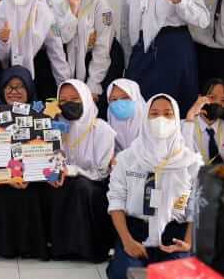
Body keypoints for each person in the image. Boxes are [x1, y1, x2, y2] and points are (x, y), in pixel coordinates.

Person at [106, 94, 203, 279]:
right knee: (127, 274)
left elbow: (196, 205)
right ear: (145, 118)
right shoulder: (127, 158)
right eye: (154, 113)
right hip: (136, 232)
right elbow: (116, 201)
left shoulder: (191, 162)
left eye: (167, 114)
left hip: (174, 235)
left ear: (176, 119)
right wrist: (127, 241)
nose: (160, 119)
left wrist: (188, 243)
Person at [48, 79, 116, 262]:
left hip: (95, 184)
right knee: (54, 186)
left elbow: (101, 172)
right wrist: (54, 173)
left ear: (86, 98)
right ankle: (61, 248)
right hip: (66, 179)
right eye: (63, 100)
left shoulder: (102, 129)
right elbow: (52, 158)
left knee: (80, 187)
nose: (68, 104)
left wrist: (72, 170)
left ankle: (87, 249)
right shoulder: (57, 126)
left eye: (74, 99)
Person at [0, 66, 48, 260]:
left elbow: (44, 154)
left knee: (30, 193)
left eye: (20, 86)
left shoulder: (41, 116)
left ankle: (33, 247)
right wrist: (4, 177)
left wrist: (27, 176)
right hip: (1, 180)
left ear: (29, 89)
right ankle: (7, 246)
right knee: (4, 193)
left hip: (32, 179)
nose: (14, 91)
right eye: (9, 87)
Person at [50, 0, 124, 115]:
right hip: (62, 61)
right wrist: (73, 10)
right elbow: (60, 39)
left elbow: (102, 49)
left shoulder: (102, 7)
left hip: (97, 63)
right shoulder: (54, 5)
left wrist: (93, 86)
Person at [0, 0, 69, 100]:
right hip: (6, 71)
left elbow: (57, 51)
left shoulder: (45, 14)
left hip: (38, 68)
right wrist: (4, 41)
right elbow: (0, 56)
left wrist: (65, 85)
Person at [181, 78, 224, 165]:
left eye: (223, 100)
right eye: (212, 97)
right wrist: (190, 116)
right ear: (200, 98)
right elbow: (183, 157)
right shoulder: (183, 125)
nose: (217, 103)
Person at [106, 79, 146, 153]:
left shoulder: (150, 127)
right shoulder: (106, 131)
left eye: (125, 98)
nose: (119, 103)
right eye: (114, 99)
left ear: (136, 98)